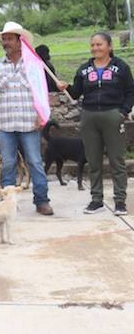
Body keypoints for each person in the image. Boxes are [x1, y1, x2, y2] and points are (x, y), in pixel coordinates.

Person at [56, 32, 134, 216]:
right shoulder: (84, 69)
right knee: (93, 160)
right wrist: (65, 87)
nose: (95, 48)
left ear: (109, 46)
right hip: (89, 116)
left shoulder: (121, 67)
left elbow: (131, 90)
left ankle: (120, 201)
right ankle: (96, 199)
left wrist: (123, 111)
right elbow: (76, 93)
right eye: (92, 45)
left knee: (117, 160)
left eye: (99, 45)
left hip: (113, 115)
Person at [0, 21, 54, 216]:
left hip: (28, 122)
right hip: (6, 123)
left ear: (19, 40)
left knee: (34, 161)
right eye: (4, 39)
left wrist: (41, 116)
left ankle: (42, 200)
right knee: (7, 163)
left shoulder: (33, 64)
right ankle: (8, 202)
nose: (5, 42)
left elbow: (41, 91)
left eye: (9, 38)